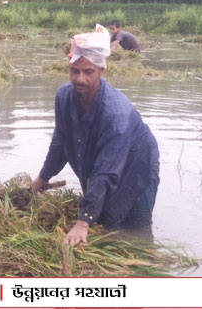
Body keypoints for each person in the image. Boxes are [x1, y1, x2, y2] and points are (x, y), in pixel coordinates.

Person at [32, 25, 159, 246]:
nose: (80, 79)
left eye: (88, 71)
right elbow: (61, 142)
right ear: (68, 68)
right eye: (75, 71)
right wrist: (42, 178)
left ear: (101, 71)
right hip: (101, 161)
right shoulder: (63, 96)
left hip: (136, 164)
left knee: (137, 230)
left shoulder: (115, 111)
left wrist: (83, 221)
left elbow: (107, 171)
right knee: (107, 222)